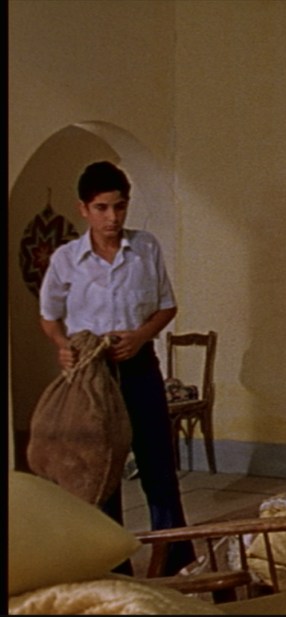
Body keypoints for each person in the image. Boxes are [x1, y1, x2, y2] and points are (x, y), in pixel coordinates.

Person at [38, 160, 196, 575]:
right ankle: (113, 566)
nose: (112, 217)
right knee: (102, 471)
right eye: (102, 208)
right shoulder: (66, 260)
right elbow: (49, 317)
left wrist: (141, 336)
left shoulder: (145, 248)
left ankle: (176, 561)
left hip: (140, 366)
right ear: (84, 209)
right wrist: (62, 347)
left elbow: (167, 306)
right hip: (92, 377)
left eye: (120, 207)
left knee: (158, 466)